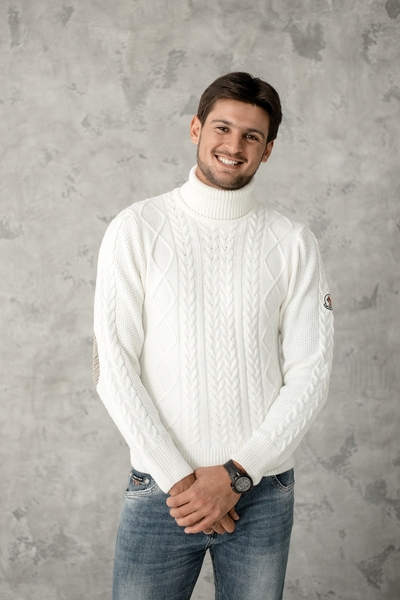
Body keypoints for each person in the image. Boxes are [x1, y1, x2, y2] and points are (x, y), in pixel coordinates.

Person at [93, 71, 334, 600]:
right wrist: (184, 484)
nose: (234, 146)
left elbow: (311, 375)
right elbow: (113, 366)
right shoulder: (137, 228)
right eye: (222, 128)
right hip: (163, 491)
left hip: (261, 492)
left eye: (252, 136)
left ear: (267, 150)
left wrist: (236, 477)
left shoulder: (293, 243)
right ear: (196, 129)